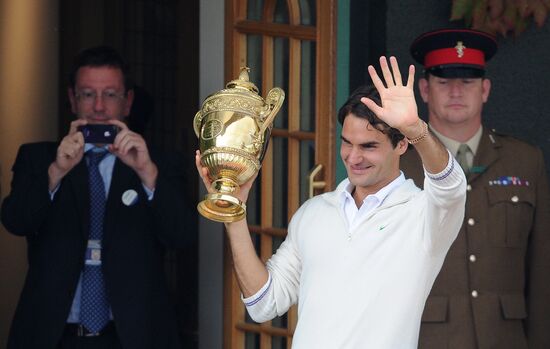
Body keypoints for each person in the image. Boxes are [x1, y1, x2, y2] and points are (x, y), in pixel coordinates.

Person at [196, 56, 467, 348]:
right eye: (347, 142)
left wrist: (416, 129)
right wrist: (234, 212)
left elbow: (450, 186)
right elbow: (263, 303)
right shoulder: (314, 212)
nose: (353, 156)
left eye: (369, 146)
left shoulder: (423, 214)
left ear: (401, 144)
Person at [1, 46, 194, 349]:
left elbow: (182, 235)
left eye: (111, 95)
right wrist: (55, 172)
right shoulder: (39, 158)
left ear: (127, 101)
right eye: (88, 95)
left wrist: (148, 175)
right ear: (72, 99)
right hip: (55, 335)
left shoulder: (159, 162)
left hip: (132, 335)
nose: (99, 107)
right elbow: (16, 221)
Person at [401, 28, 550, 349]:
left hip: (505, 340)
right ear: (425, 90)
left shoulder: (524, 161)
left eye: (467, 82)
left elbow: (542, 270)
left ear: (485, 89)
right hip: (427, 340)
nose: (456, 91)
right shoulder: (400, 167)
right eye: (444, 82)